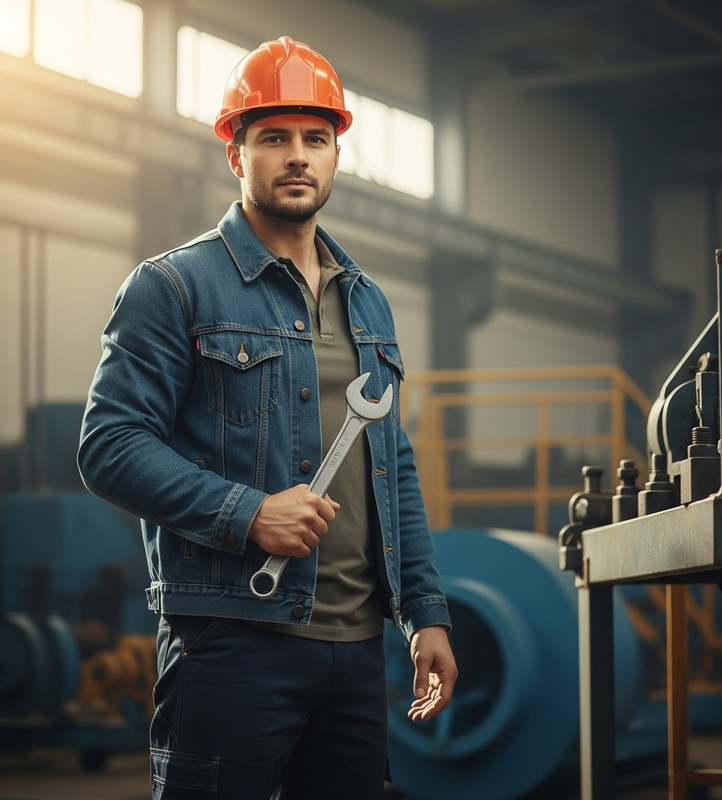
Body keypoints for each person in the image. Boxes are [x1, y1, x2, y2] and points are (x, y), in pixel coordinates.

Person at [78, 35, 457, 800]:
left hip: (355, 655)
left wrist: (424, 613)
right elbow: (109, 446)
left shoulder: (366, 299)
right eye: (274, 137)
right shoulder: (174, 287)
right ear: (236, 154)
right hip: (233, 644)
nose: (297, 156)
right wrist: (247, 513)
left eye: (315, 139)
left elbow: (394, 465)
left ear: (336, 156)